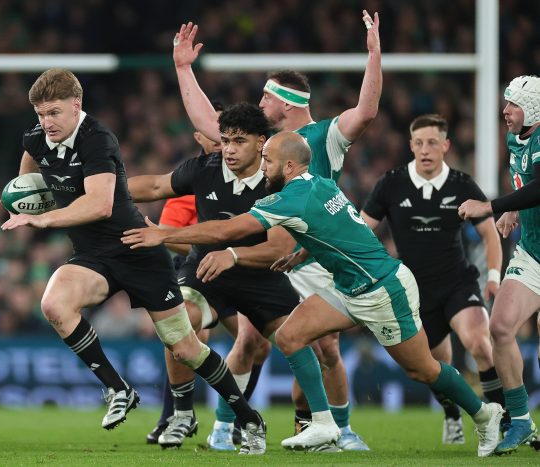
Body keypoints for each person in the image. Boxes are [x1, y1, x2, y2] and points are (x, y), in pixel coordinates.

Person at [123, 131, 505, 457]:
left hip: (382, 290)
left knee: (422, 369)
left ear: (289, 167)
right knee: (290, 334)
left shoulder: (292, 198)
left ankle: (485, 414)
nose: (263, 167)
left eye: (268, 160)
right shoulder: (319, 183)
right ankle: (323, 424)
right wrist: (304, 250)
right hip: (349, 286)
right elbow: (339, 225)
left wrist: (167, 235)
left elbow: (227, 231)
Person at [0, 68, 267, 455]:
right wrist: (25, 191)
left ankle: (247, 416)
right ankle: (117, 388)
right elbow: (30, 156)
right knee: (54, 304)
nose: (46, 123)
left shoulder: (97, 140)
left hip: (137, 249)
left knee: (184, 347)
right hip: (93, 255)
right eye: (41, 114)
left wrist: (41, 217)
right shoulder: (38, 137)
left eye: (54, 113)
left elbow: (100, 203)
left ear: (77, 105)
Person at [170, 10, 381, 451]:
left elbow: (365, 112)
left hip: (312, 254)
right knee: (251, 340)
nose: (258, 105)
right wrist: (184, 69)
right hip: (268, 251)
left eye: (265, 99)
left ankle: (337, 429)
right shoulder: (261, 139)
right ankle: (226, 427)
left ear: (285, 103)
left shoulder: (324, 136)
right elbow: (211, 124)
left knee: (328, 350)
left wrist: (374, 55)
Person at [127, 102, 298, 450]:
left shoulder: (278, 182)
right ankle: (182, 413)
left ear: (261, 142)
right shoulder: (203, 169)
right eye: (225, 141)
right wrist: (98, 191)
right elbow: (157, 187)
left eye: (239, 141)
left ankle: (319, 424)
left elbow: (279, 250)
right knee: (178, 324)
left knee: (307, 342)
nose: (229, 150)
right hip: (206, 270)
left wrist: (232, 254)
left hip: (260, 276)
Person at [360, 114, 506, 445]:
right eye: (419, 143)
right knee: (435, 367)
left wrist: (493, 277)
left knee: (481, 344)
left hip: (458, 282)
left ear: (446, 145)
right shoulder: (391, 183)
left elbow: (490, 234)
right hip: (414, 291)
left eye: (433, 143)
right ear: (411, 146)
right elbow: (362, 230)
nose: (425, 150)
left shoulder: (462, 184)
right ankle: (452, 415)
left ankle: (502, 423)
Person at [458, 75, 540, 455]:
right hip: (533, 251)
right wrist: (514, 215)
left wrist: (495, 206)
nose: (505, 111)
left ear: (534, 109)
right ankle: (521, 420)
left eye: (514, 105)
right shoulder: (515, 139)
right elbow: (525, 181)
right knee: (501, 326)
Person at [145, 103, 223, 445]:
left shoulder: (255, 175)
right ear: (199, 136)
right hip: (197, 272)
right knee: (186, 337)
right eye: (215, 129)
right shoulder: (191, 178)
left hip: (238, 268)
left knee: (255, 343)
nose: (224, 139)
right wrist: (203, 244)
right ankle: (175, 415)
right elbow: (166, 235)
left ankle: (230, 419)